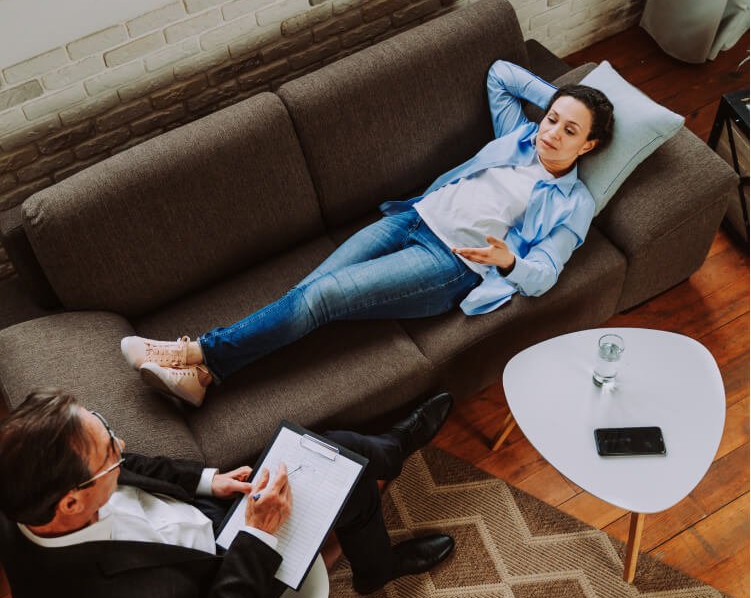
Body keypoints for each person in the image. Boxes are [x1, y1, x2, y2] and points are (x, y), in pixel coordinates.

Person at [121, 61, 614, 407]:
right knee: (307, 291)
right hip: (411, 217)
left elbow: (545, 273)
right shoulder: (519, 134)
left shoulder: (575, 203)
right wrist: (556, 99)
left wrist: (509, 262)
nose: (551, 133)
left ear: (589, 146)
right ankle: (203, 379)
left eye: (570, 131)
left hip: (448, 265)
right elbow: (502, 76)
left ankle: (195, 353)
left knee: (325, 297)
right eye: (552, 118)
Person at [0, 389, 454, 598]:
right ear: (71, 505)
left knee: (328, 456)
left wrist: (205, 481)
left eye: (105, 429)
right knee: (344, 473)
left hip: (212, 520)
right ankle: (392, 460)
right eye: (108, 452)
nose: (121, 444)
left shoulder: (41, 483)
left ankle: (386, 472)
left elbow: (132, 465)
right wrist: (258, 533)